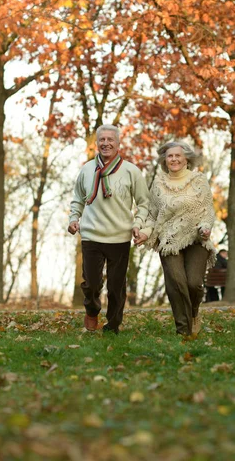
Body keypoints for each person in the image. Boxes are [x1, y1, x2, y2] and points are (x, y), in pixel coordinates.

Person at [68, 125, 149, 334]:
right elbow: (77, 199)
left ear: (118, 143)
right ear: (96, 143)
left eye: (110, 139)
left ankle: (113, 325)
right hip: (91, 235)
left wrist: (138, 224)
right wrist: (73, 219)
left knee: (116, 287)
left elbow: (144, 203)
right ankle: (92, 311)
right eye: (102, 139)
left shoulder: (131, 171)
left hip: (119, 236)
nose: (106, 143)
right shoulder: (86, 169)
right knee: (92, 284)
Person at [135, 141, 215, 337]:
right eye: (170, 156)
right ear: (164, 160)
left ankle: (194, 313)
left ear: (186, 158)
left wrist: (206, 227)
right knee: (176, 283)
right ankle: (183, 331)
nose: (174, 159)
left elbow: (208, 211)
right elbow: (153, 215)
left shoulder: (198, 180)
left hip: (196, 238)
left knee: (194, 283)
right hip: (169, 240)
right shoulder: (159, 184)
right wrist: (145, 232)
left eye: (178, 155)